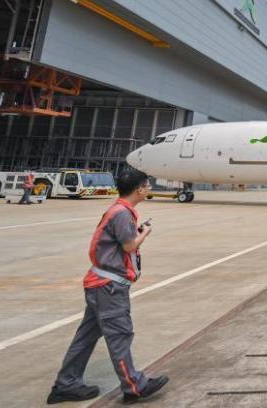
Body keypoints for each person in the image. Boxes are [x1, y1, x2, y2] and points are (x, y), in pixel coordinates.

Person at [47, 170, 168, 404]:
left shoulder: (118, 210)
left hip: (100, 284)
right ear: (139, 190)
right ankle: (134, 387)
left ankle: (66, 384)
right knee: (119, 335)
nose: (149, 189)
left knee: (85, 337)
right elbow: (129, 246)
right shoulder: (122, 214)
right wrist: (145, 234)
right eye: (148, 186)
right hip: (108, 288)